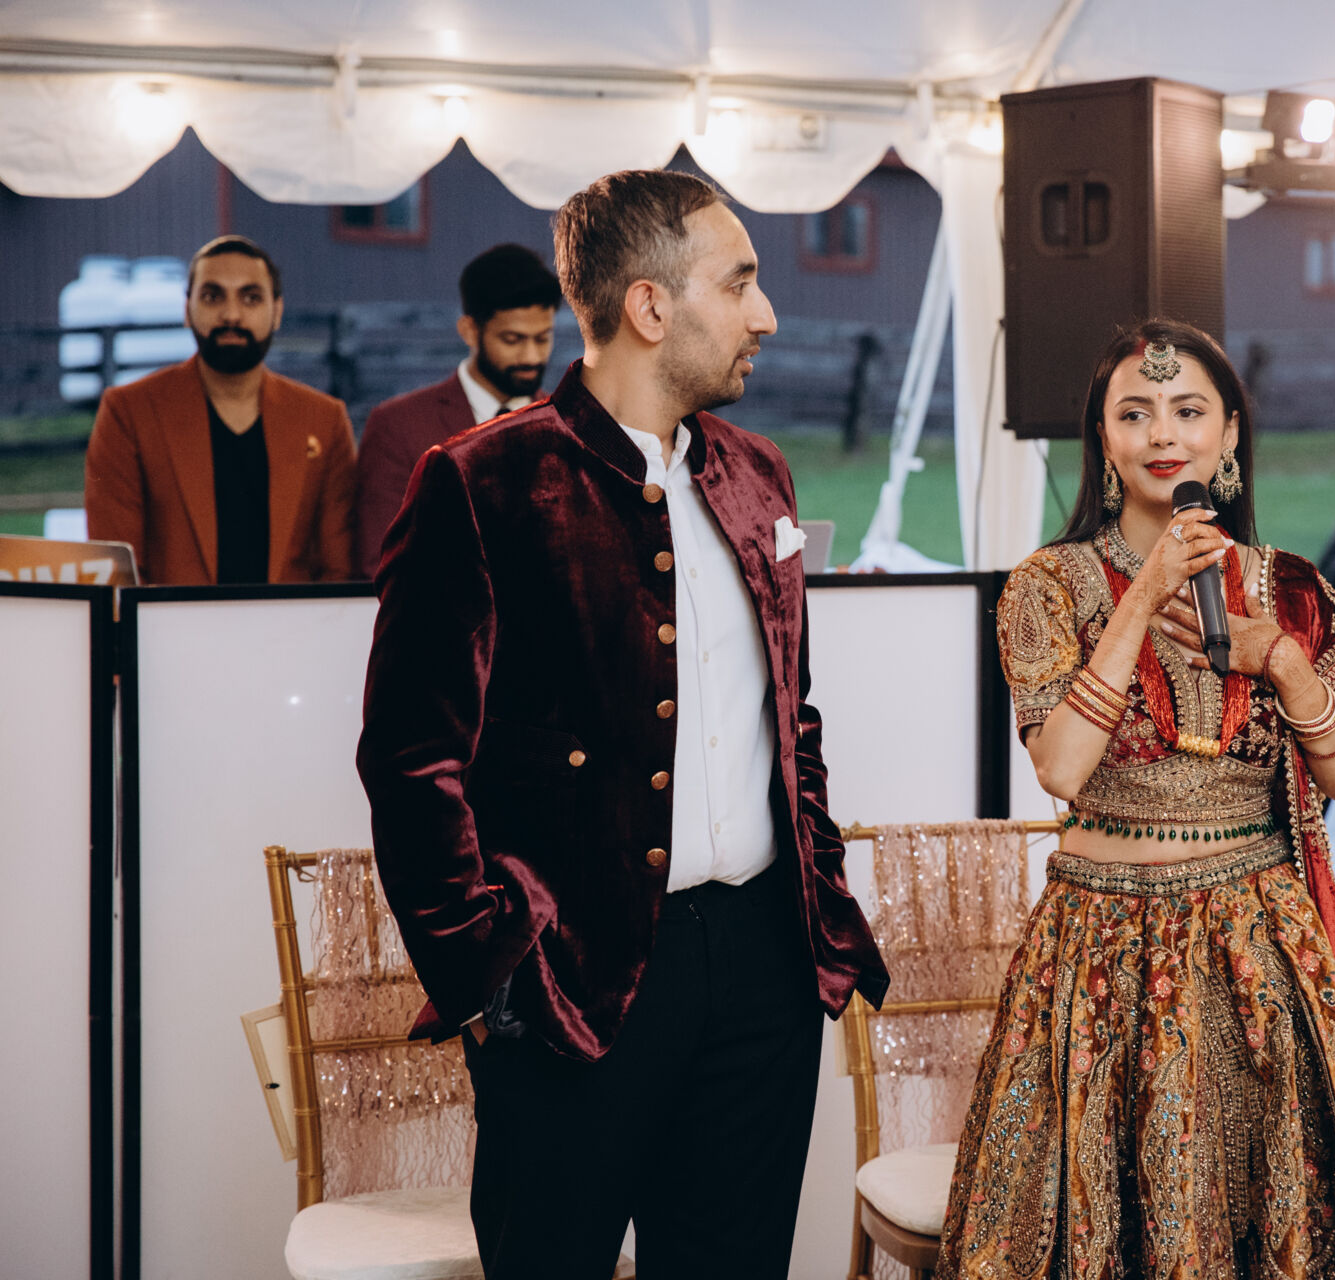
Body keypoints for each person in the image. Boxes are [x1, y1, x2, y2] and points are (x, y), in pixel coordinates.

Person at [355, 169, 887, 1280]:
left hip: (762, 971)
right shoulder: (480, 480)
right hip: (568, 978)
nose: (765, 314)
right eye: (738, 282)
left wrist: (816, 901)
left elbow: (792, 717)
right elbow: (411, 759)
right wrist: (486, 971)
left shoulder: (759, 474)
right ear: (650, 305)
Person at [939, 319, 1335, 1280]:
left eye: (1189, 410)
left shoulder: (1291, 589)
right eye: (1135, 413)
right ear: (1104, 439)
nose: (1163, 433)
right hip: (1098, 958)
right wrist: (1143, 593)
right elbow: (1061, 767)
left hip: (1256, 955)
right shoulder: (1047, 586)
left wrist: (1282, 661)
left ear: (1229, 433)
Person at [83, 234, 355, 584]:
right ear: (187, 309)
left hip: (295, 620)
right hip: (167, 620)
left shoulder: (323, 419)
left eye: (251, 297)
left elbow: (338, 571)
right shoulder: (129, 413)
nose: (231, 315)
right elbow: (118, 572)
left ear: (277, 311)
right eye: (213, 296)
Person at [352, 243, 561, 577]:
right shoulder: (398, 426)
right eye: (512, 340)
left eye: (543, 338)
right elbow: (380, 567)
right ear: (469, 331)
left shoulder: (570, 427)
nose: (531, 356)